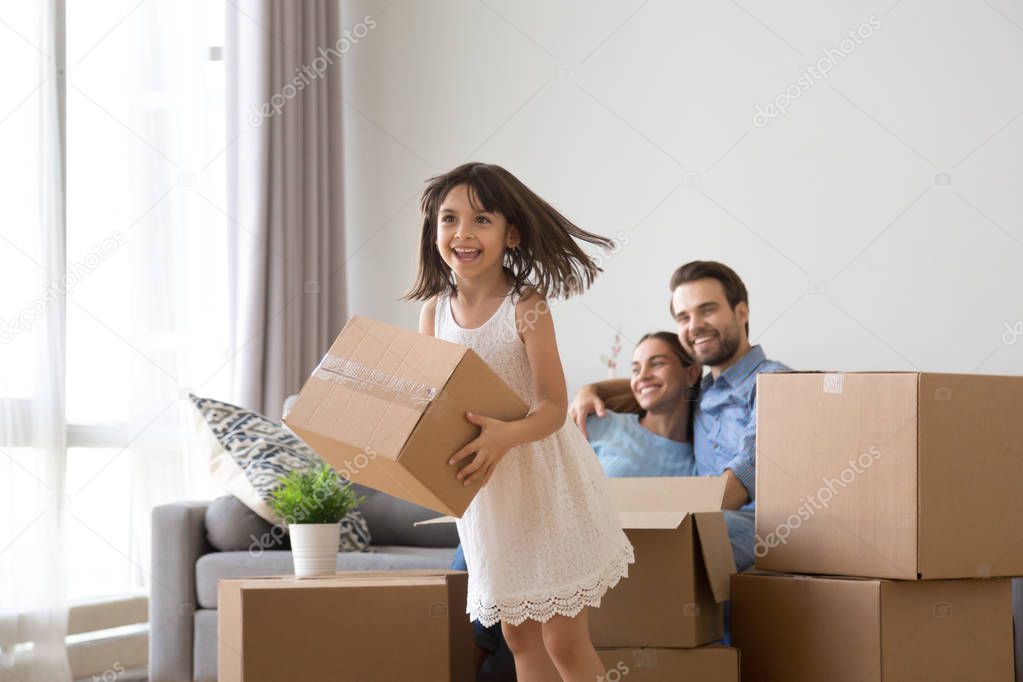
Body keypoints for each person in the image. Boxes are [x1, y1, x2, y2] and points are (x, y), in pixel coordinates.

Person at [406, 162, 635, 682]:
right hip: (489, 498)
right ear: (434, 230)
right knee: (516, 636)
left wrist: (504, 435)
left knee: (564, 638)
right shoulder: (433, 315)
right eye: (449, 219)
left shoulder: (525, 306)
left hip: (544, 479)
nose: (462, 233)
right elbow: (431, 409)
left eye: (480, 220)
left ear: (510, 233)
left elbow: (553, 407)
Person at [453, 330, 703, 680]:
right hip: (535, 509)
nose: (642, 375)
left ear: (691, 374)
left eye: (656, 363)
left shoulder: (697, 455)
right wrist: (592, 392)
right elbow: (552, 440)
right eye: (635, 367)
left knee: (561, 640)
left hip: (587, 528)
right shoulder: (602, 422)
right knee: (511, 623)